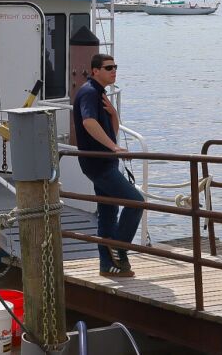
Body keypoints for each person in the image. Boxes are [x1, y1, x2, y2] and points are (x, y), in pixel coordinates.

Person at [72, 54, 143, 278]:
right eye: (108, 67)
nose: (114, 71)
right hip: (99, 163)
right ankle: (120, 247)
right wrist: (114, 147)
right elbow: (88, 122)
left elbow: (111, 129)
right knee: (136, 202)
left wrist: (114, 114)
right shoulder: (90, 92)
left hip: (103, 163)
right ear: (95, 71)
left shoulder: (99, 92)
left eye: (115, 67)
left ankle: (109, 265)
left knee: (108, 213)